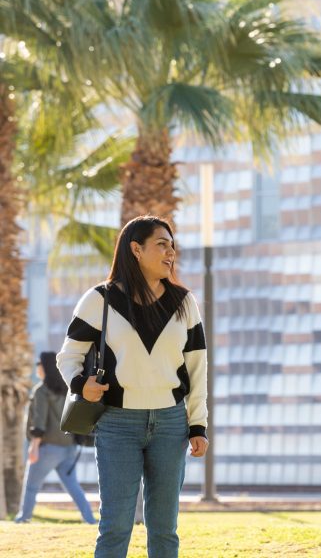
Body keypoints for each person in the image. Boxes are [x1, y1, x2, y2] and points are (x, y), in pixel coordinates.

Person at [56, 215, 208, 558]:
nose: (171, 253)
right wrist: (82, 385)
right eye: (162, 244)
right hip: (117, 424)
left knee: (165, 530)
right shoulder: (100, 300)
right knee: (115, 528)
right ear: (136, 249)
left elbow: (198, 370)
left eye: (172, 246)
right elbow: (68, 357)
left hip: (171, 424)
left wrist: (198, 425)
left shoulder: (185, 303)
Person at [14, 351, 97, 524]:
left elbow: (39, 422)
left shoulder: (42, 391)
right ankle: (90, 520)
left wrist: (34, 447)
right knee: (73, 487)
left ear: (45, 367)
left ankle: (23, 519)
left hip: (49, 448)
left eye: (39, 364)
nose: (37, 367)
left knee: (31, 486)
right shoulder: (66, 389)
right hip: (70, 447)